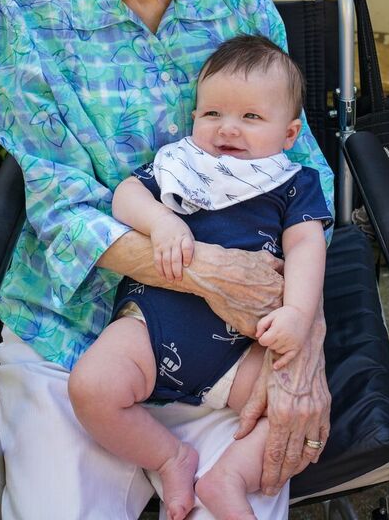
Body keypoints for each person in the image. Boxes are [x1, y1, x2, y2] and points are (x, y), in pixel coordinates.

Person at [0, 0, 333, 520]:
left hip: (233, 340)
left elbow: (303, 171)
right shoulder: (30, 11)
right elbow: (59, 201)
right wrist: (204, 271)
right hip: (76, 335)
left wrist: (302, 339)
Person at [68, 34, 332, 520]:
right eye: (213, 113)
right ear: (194, 117)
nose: (228, 128)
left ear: (289, 134)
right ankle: (170, 457)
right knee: (91, 388)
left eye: (251, 116)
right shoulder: (180, 163)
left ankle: (228, 477)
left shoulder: (291, 183)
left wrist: (297, 313)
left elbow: (305, 246)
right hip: (152, 326)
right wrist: (160, 221)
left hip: (241, 349)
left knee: (293, 414)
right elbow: (126, 195)